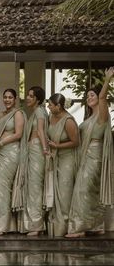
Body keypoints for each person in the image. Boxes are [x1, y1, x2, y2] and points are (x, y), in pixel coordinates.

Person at [66, 67, 114, 238]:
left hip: (96, 155)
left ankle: (79, 227)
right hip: (86, 155)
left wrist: (107, 79)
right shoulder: (88, 119)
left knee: (83, 189)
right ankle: (96, 225)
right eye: (87, 96)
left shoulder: (102, 115)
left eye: (91, 95)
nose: (89, 98)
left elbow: (102, 96)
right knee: (91, 191)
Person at [0, 89, 25, 235]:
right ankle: (8, 225)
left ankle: (2, 226)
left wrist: (1, 143)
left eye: (10, 97)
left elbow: (18, 134)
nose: (7, 100)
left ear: (15, 99)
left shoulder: (18, 114)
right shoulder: (1, 115)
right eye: (5, 97)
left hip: (11, 152)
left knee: (3, 187)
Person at [44, 93, 79, 237]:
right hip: (54, 158)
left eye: (50, 105)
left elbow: (76, 142)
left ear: (58, 106)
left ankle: (66, 225)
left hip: (67, 159)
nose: (48, 107)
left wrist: (57, 146)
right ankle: (55, 225)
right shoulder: (50, 117)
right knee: (55, 190)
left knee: (65, 192)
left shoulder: (69, 120)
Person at [17, 86, 48, 236]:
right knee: (31, 187)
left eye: (31, 96)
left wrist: (45, 149)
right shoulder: (35, 112)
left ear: (38, 99)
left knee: (35, 188)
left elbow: (41, 130)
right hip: (32, 151)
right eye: (28, 95)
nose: (27, 98)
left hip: (37, 151)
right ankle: (33, 223)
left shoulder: (40, 111)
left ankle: (37, 225)